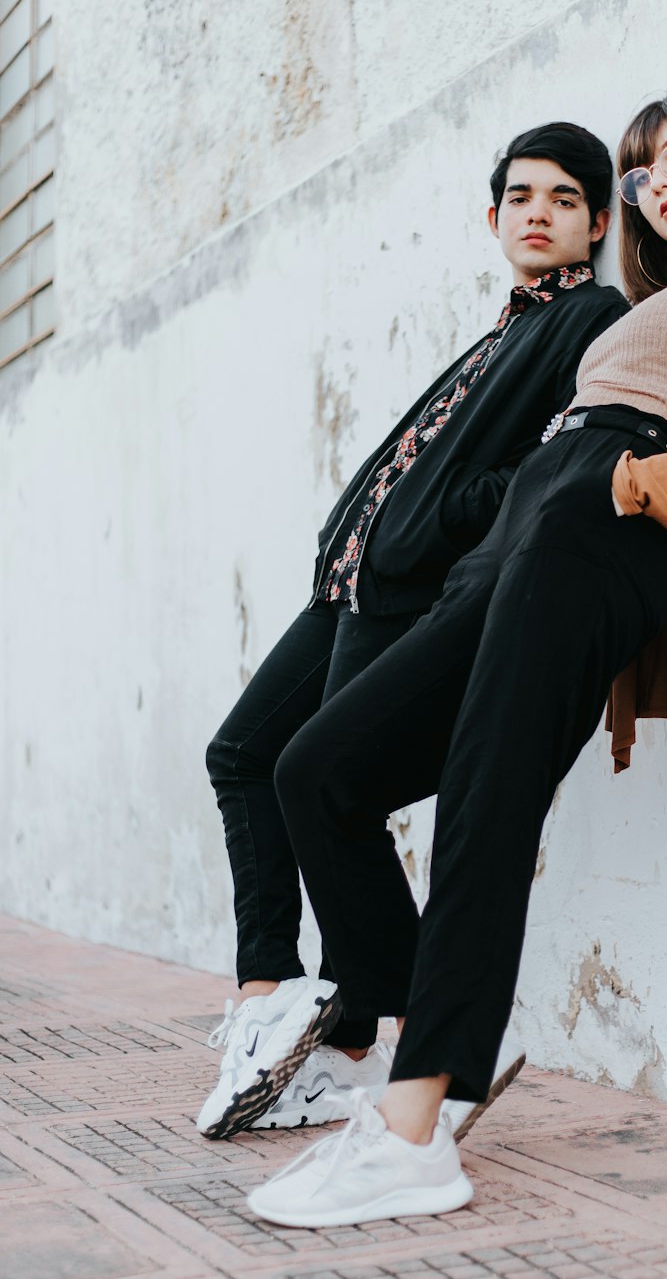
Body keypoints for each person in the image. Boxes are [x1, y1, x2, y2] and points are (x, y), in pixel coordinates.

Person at [244, 91, 667, 1229]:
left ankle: (415, 1129)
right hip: (528, 523)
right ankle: (427, 1050)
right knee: (319, 767)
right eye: (640, 170)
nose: (654, 182)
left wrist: (623, 490)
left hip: (601, 517)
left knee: (485, 792)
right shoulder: (659, 296)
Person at [198, 122, 629, 1140]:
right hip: (345, 580)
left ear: (597, 222)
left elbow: (548, 462)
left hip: (403, 585)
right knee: (243, 753)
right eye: (521, 196)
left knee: (325, 777)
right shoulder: (498, 328)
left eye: (564, 199)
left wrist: (423, 527)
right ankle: (270, 995)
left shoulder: (590, 316)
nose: (539, 212)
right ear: (493, 217)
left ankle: (357, 1033)